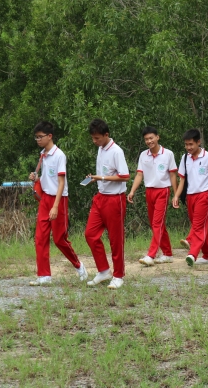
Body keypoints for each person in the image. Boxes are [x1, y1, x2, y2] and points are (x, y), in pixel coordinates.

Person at [28, 122, 87, 286]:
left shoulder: (59, 155)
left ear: (50, 136)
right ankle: (44, 275)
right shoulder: (43, 154)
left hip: (59, 200)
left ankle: (79, 266)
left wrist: (55, 206)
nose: (38, 140)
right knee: (40, 237)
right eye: (36, 137)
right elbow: (47, 177)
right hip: (45, 198)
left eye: (40, 137)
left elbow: (61, 183)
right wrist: (36, 178)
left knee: (60, 239)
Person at [172, 129, 208, 266]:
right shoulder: (185, 158)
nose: (188, 147)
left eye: (191, 144)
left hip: (204, 195)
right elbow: (182, 180)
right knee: (199, 225)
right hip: (190, 196)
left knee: (198, 226)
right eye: (186, 144)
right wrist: (176, 195)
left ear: (198, 142)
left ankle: (193, 253)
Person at [85, 119, 130, 289]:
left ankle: (118, 275)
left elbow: (125, 176)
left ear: (106, 135)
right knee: (90, 234)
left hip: (115, 199)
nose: (94, 141)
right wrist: (95, 178)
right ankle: (103, 270)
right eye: (93, 138)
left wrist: (101, 178)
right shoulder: (101, 149)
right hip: (100, 197)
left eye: (97, 138)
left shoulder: (116, 151)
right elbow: (104, 172)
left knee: (115, 239)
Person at [129, 127, 178, 267]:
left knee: (157, 223)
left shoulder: (168, 154)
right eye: (146, 139)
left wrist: (176, 195)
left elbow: (173, 175)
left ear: (157, 137)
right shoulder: (143, 155)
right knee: (156, 224)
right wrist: (132, 191)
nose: (149, 141)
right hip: (149, 191)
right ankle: (167, 253)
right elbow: (139, 174)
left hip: (163, 191)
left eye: (151, 138)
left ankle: (151, 255)